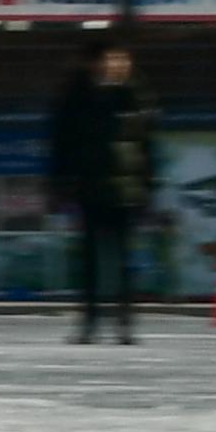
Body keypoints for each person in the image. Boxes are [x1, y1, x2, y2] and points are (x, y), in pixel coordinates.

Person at [48, 37, 160, 345]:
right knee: (90, 260)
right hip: (90, 187)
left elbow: (148, 147)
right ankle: (90, 321)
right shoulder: (77, 96)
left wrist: (149, 186)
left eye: (123, 59)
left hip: (127, 190)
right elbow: (61, 144)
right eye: (112, 59)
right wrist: (58, 186)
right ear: (96, 63)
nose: (119, 65)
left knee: (124, 259)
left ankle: (125, 323)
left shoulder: (136, 97)